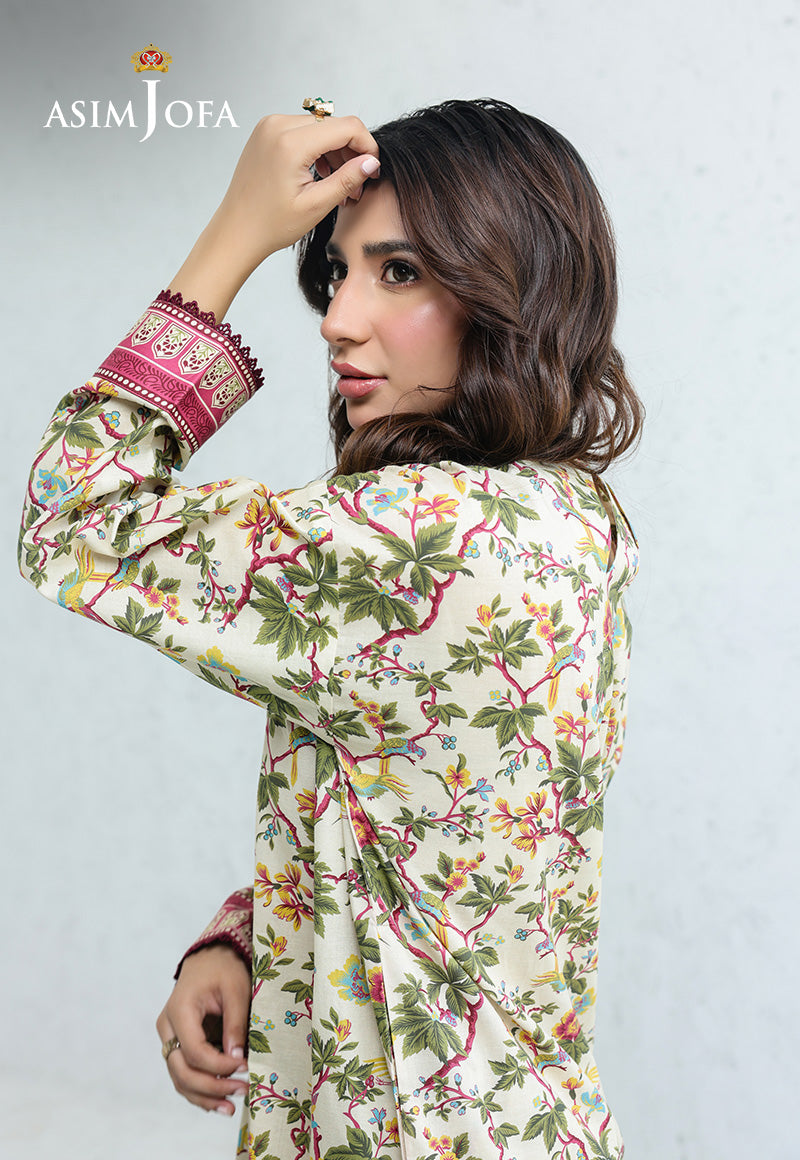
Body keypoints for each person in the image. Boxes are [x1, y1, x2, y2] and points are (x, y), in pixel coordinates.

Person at [19, 98, 642, 1160]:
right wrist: (243, 936)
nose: (336, 319)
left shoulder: (426, 540)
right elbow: (429, 827)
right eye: (336, 272)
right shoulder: (572, 516)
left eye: (398, 272)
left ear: (511, 294)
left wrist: (232, 236)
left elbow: (72, 518)